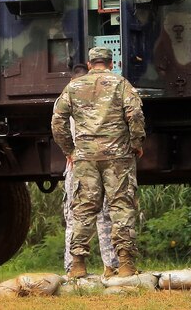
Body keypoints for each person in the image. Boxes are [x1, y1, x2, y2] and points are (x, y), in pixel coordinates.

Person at [51, 46, 144, 278]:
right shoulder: (121, 84)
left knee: (83, 209)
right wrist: (136, 143)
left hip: (85, 157)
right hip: (118, 157)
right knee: (121, 206)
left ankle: (78, 265)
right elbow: (135, 114)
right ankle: (125, 265)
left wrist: (69, 150)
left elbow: (57, 121)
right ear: (111, 64)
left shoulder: (73, 87)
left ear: (90, 64)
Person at [62, 63, 119, 277]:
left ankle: (73, 267)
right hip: (105, 163)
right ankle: (111, 266)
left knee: (75, 216)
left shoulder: (68, 97)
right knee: (106, 214)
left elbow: (58, 127)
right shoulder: (105, 96)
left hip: (78, 164)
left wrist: (69, 152)